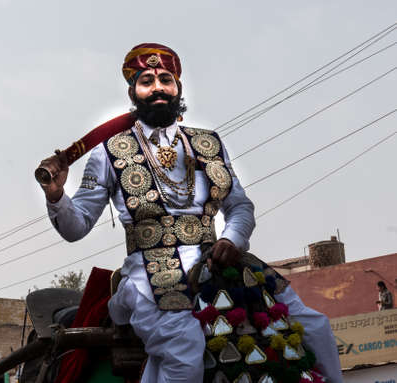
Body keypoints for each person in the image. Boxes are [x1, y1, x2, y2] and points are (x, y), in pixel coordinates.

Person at [39, 43, 342, 383]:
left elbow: (239, 206)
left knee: (315, 326)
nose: (157, 87)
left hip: (218, 261)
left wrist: (231, 238)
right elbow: (76, 226)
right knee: (183, 348)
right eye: (147, 80)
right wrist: (56, 194)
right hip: (148, 270)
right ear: (133, 92)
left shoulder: (208, 144)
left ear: (178, 88)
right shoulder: (108, 152)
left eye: (165, 79)